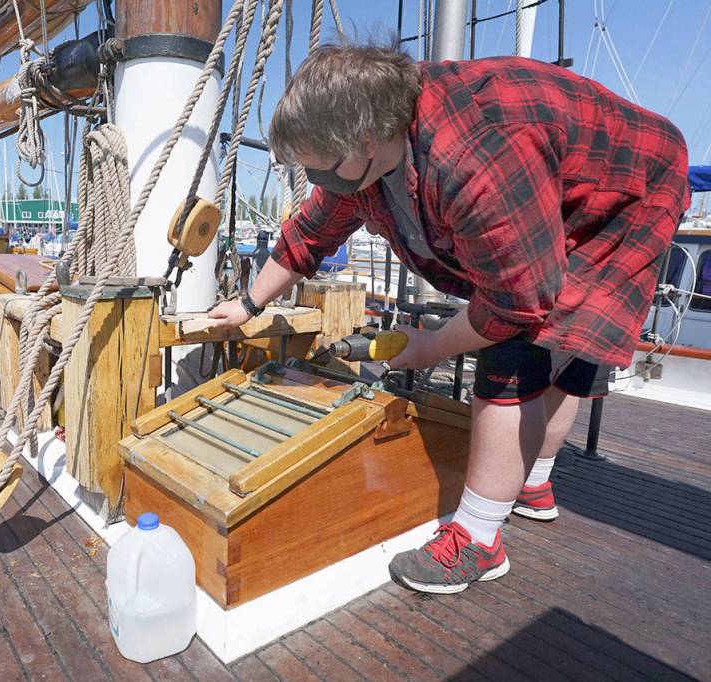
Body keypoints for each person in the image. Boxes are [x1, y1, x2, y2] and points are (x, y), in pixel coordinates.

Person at [208, 43, 689, 594]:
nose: (317, 178)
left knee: (532, 347)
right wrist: (248, 304)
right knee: (550, 339)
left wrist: (429, 346)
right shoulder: (366, 152)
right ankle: (529, 484)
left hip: (634, 185)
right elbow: (311, 232)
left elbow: (516, 301)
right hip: (555, 175)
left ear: (365, 141)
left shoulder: (473, 159)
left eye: (319, 166)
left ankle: (480, 540)